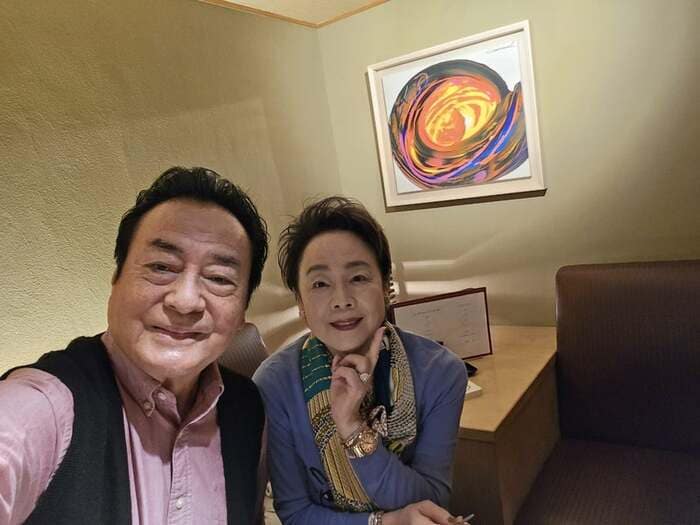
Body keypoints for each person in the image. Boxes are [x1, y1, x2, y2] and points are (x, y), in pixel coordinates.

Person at [0, 167, 269, 524]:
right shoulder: (45, 406)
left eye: (219, 278)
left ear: (242, 311)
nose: (185, 301)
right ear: (116, 279)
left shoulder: (249, 410)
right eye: (161, 266)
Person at [253, 197, 468, 525]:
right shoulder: (275, 382)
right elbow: (295, 512)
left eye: (358, 278)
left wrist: (353, 429)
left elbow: (432, 500)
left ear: (386, 286)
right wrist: (386, 522)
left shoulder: (441, 372)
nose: (341, 300)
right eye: (320, 284)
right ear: (301, 303)